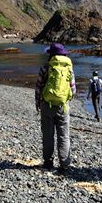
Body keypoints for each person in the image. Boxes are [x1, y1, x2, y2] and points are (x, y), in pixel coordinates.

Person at [35, 42, 76, 172]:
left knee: (48, 135)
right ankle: (64, 164)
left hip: (47, 105)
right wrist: (66, 100)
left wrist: (38, 103)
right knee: (64, 135)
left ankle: (48, 162)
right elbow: (73, 89)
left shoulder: (45, 67)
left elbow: (39, 87)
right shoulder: (69, 68)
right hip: (63, 106)